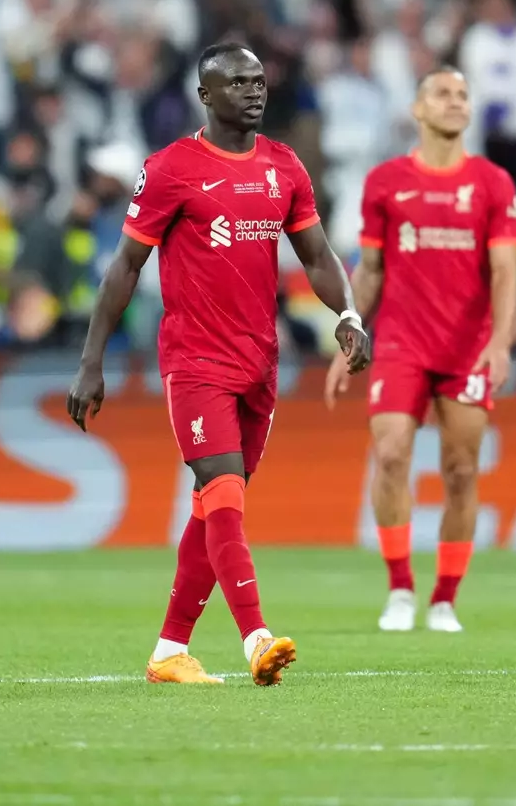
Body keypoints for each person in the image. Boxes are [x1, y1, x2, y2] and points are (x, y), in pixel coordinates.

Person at [66, 42, 372, 686]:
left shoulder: (285, 166)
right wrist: (91, 361)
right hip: (195, 360)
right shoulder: (172, 168)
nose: (254, 91)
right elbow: (125, 266)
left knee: (212, 509)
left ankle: (169, 651)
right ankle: (255, 635)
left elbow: (317, 257)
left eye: (259, 81)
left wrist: (347, 315)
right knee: (225, 496)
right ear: (206, 95)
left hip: (260, 364)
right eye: (237, 82)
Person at [324, 66, 516, 634]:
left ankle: (445, 598)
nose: (456, 102)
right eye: (443, 93)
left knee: (460, 470)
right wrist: (348, 335)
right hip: (402, 344)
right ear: (417, 109)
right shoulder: (385, 182)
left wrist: (501, 342)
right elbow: (371, 271)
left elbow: (505, 272)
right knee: (390, 456)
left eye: (464, 94)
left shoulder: (493, 184)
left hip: (467, 349)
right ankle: (401, 589)